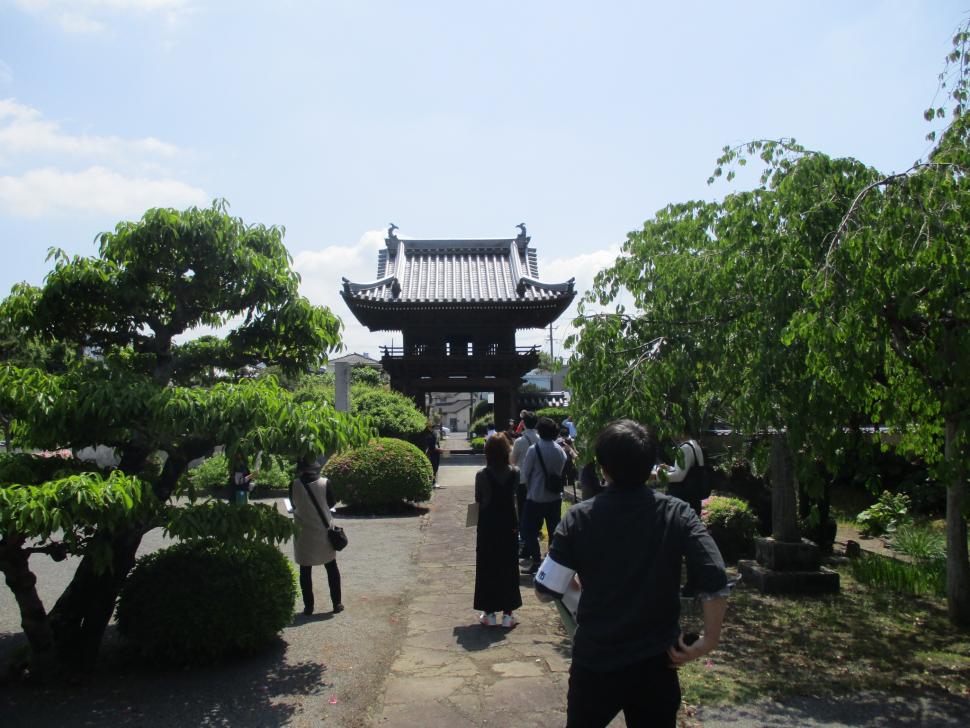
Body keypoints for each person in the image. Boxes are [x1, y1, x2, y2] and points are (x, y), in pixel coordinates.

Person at [534, 420, 728, 728]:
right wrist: (708, 640)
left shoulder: (578, 518)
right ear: (652, 464)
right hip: (657, 662)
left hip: (595, 660)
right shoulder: (677, 513)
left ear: (602, 467)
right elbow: (714, 574)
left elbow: (546, 590)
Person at [473, 434, 523, 628]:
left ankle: (489, 612)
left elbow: (479, 500)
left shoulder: (482, 475)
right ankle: (508, 614)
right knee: (509, 567)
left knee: (487, 567)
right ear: (506, 451)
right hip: (509, 524)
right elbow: (514, 495)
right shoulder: (515, 472)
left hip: (487, 526)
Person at [290, 456, 343, 616]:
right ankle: (337, 603)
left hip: (303, 532)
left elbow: (293, 504)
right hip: (323, 530)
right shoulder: (325, 483)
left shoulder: (294, 484)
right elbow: (332, 504)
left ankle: (309, 607)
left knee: (305, 570)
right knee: (331, 567)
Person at [518, 416, 567, 573]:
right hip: (554, 497)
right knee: (554, 530)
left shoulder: (535, 449)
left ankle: (536, 559)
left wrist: (530, 486)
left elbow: (525, 474)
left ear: (540, 431)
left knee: (528, 530)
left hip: (536, 496)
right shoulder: (560, 450)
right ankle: (552, 562)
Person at [654, 437, 708, 517]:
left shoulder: (685, 448)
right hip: (693, 497)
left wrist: (656, 476)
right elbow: (686, 471)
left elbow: (679, 477)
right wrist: (669, 468)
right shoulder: (694, 444)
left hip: (683, 501)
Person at [509, 410, 540, 541]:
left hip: (522, 479)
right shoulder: (540, 440)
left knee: (522, 508)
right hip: (537, 479)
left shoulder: (519, 441)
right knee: (536, 508)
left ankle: (523, 534)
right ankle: (535, 532)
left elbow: (513, 461)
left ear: (524, 423)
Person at [423, 421, 443, 488]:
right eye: (434, 427)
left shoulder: (432, 433)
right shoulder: (429, 435)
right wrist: (439, 449)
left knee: (434, 469)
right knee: (433, 469)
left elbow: (436, 444)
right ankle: (432, 483)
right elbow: (432, 447)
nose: (435, 428)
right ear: (429, 427)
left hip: (435, 453)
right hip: (432, 454)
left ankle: (433, 482)